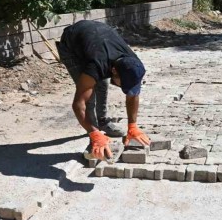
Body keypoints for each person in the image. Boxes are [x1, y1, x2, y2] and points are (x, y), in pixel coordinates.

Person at [56, 20, 151, 160]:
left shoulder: (133, 63)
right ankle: (94, 139)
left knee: (103, 83)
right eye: (122, 84)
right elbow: (78, 104)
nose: (122, 88)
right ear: (114, 71)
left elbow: (132, 95)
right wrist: (94, 134)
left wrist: (132, 126)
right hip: (71, 43)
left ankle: (103, 122)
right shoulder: (97, 64)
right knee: (91, 94)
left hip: (99, 40)